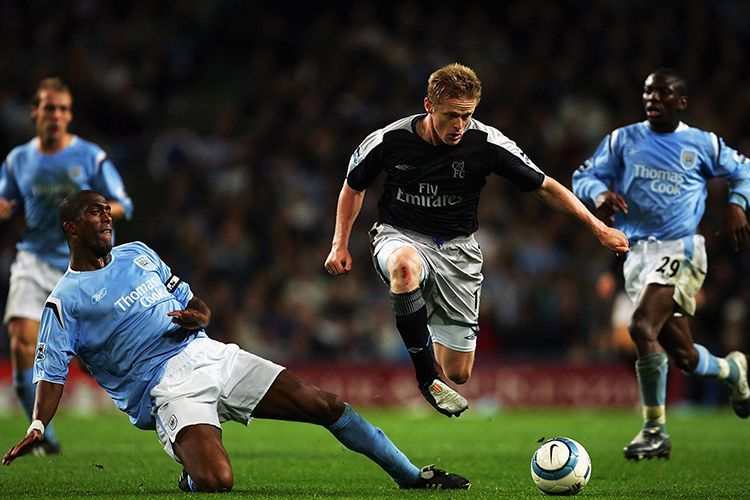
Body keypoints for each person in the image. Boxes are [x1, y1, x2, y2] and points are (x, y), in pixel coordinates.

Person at [2, 190, 470, 493]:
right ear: (71, 227)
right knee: (216, 482)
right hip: (165, 389)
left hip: (208, 353)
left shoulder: (138, 254)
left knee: (325, 404)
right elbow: (51, 370)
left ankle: (412, 477)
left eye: (107, 210)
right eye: (94, 212)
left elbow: (194, 302)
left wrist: (198, 316)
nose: (106, 216)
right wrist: (39, 425)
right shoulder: (64, 301)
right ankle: (191, 473)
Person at [324, 63, 629, 417]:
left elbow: (545, 187)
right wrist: (339, 243)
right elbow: (353, 186)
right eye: (451, 115)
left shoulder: (486, 143)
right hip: (400, 234)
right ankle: (427, 379)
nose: (459, 125)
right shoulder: (389, 139)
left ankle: (422, 317)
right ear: (429, 105)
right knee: (404, 267)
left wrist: (598, 228)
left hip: (457, 251)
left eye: (466, 116)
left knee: (459, 372)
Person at [572, 68, 750, 461]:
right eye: (649, 92)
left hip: (680, 249)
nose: (653, 98)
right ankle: (733, 370)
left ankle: (654, 430)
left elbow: (744, 171)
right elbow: (583, 176)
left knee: (640, 326)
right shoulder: (623, 139)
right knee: (684, 356)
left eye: (663, 93)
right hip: (636, 254)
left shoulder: (701, 143)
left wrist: (738, 205)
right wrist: (599, 194)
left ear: (681, 102)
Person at [0, 77, 133, 455]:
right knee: (21, 343)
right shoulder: (17, 160)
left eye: (62, 109)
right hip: (35, 260)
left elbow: (123, 204)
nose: (56, 115)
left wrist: (94, 212)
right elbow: (3, 197)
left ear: (69, 115)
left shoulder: (91, 157)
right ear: (35, 113)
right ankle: (42, 433)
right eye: (49, 108)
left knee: (104, 349)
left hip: (84, 267)